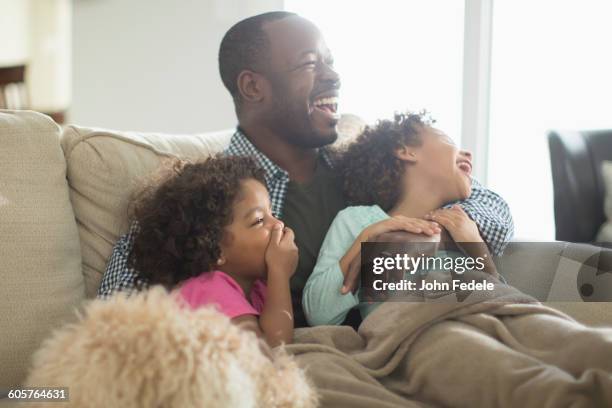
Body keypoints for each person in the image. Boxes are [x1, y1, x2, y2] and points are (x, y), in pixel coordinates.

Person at [98, 11, 514, 328]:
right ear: (253, 87)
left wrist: (423, 234)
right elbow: (112, 315)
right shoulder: (211, 196)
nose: (333, 75)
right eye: (310, 64)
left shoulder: (359, 170)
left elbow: (493, 211)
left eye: (330, 62)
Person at [303, 112, 502, 326]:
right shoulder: (358, 220)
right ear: (406, 151)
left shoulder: (463, 225)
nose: (469, 154)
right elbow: (318, 314)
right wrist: (367, 240)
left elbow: (498, 302)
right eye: (448, 141)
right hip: (414, 338)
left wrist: (476, 247)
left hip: (479, 329)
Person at [127, 155, 297, 347]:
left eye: (272, 213)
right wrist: (279, 273)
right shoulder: (209, 289)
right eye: (258, 220)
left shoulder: (257, 287)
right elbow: (271, 351)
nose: (278, 224)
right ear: (216, 251)